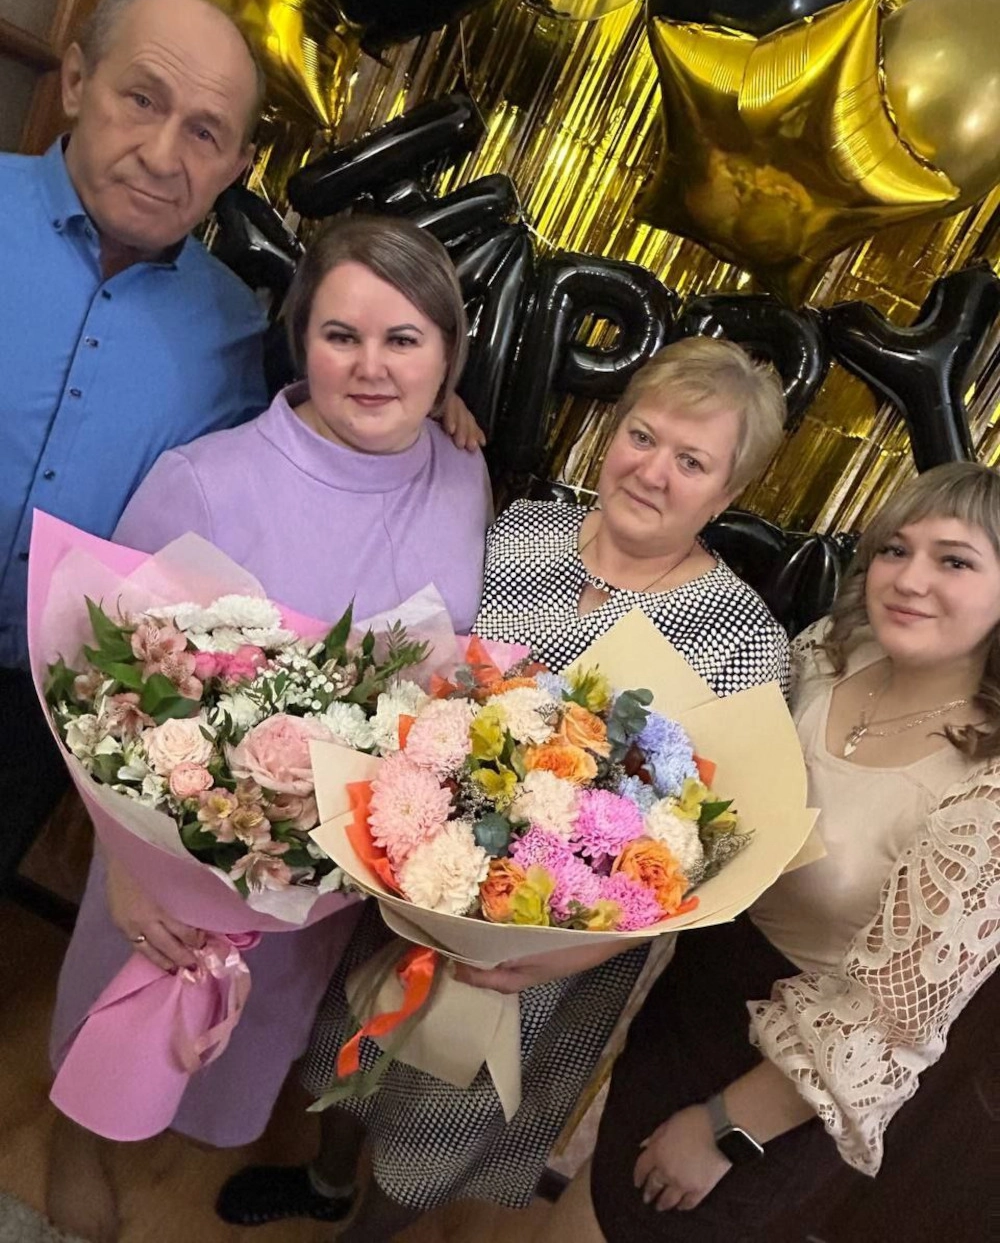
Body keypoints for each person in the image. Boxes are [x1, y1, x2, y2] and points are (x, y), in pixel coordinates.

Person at [218, 337, 791, 1239]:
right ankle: (325, 1180)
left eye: (692, 462)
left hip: (561, 944)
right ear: (612, 429)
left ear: (728, 493)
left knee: (441, 1118)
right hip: (421, 874)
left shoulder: (744, 639)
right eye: (642, 436)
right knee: (354, 1045)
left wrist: (563, 952)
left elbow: (712, 847)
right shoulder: (522, 531)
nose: (652, 472)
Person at [46, 213, 492, 1243]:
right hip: (169, 849)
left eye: (403, 339)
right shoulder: (206, 479)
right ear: (300, 341)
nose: (371, 366)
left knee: (235, 1047)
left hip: (323, 874)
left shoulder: (465, 473)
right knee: (116, 1015)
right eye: (341, 335)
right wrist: (127, 867)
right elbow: (90, 685)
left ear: (448, 356)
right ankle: (72, 1141)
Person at [0, 0, 482, 892]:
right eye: (142, 100)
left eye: (204, 132)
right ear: (76, 81)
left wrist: (440, 404)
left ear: (236, 163)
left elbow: (314, 434)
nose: (161, 153)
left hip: (41, 708)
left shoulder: (231, 324)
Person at [554, 460, 1000, 1242]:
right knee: (597, 1198)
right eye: (896, 549)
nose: (909, 578)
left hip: (783, 1077)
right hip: (695, 987)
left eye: (954, 561)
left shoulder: (986, 796)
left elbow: (886, 1023)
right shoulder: (834, 651)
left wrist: (727, 1127)